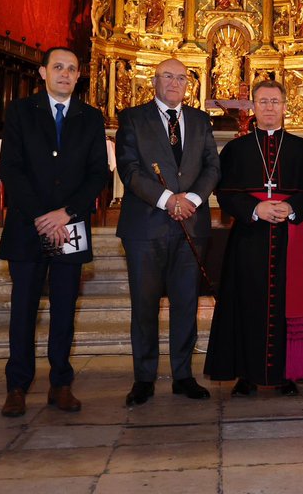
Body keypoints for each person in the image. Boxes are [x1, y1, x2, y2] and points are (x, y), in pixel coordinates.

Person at [0, 47, 110, 417]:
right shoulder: (20, 111)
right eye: (58, 67)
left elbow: (98, 173)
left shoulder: (90, 118)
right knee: (24, 309)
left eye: (72, 69)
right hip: (28, 227)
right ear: (43, 72)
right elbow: (11, 169)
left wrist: (66, 213)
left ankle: (61, 382)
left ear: (79, 76)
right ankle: (17, 385)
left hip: (71, 225)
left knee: (64, 309)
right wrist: (43, 216)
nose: (65, 73)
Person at [205, 80, 303, 396]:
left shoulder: (301, 148)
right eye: (263, 102)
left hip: (290, 237)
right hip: (249, 237)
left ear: (285, 107)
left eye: (275, 101)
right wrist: (257, 208)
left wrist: (289, 207)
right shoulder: (236, 149)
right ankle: (246, 374)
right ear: (253, 108)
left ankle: (286, 374)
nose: (269, 107)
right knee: (245, 303)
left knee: (287, 301)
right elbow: (225, 191)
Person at [116, 59, 221, 406]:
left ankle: (183, 375)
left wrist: (190, 199)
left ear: (188, 85)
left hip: (191, 225)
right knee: (144, 306)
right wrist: (167, 199)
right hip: (146, 226)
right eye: (168, 77)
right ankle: (143, 378)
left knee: (186, 304)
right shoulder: (132, 118)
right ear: (155, 81)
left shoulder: (200, 120)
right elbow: (129, 170)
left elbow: (211, 167)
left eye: (181, 78)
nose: (174, 83)